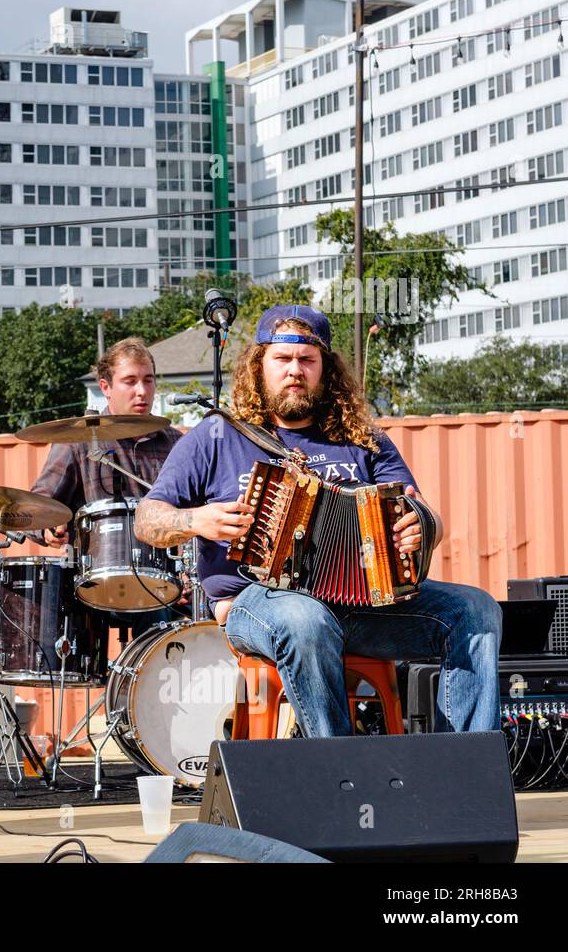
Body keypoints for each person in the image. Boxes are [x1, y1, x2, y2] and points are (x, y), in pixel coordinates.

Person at [134, 306, 499, 737]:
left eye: (307, 360)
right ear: (259, 365)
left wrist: (423, 527)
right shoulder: (216, 436)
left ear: (325, 369)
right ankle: (338, 772)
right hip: (257, 602)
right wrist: (196, 520)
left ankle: (463, 768)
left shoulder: (361, 438)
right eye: (282, 360)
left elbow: (421, 508)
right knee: (307, 620)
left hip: (363, 607)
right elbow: (147, 520)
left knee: (476, 610)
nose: (295, 371)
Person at [29, 337, 181, 547]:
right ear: (105, 387)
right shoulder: (77, 441)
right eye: (130, 381)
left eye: (148, 380)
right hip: (99, 569)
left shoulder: (177, 443)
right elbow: (35, 506)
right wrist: (47, 527)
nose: (142, 391)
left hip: (169, 572)